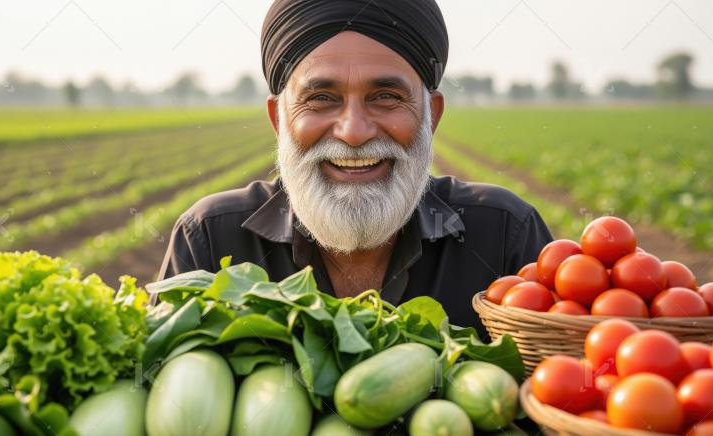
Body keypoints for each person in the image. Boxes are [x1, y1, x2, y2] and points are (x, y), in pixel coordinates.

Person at [154, 0, 553, 340]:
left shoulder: (504, 235)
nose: (354, 132)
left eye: (385, 97)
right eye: (322, 98)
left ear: (431, 116)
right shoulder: (209, 239)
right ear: (279, 120)